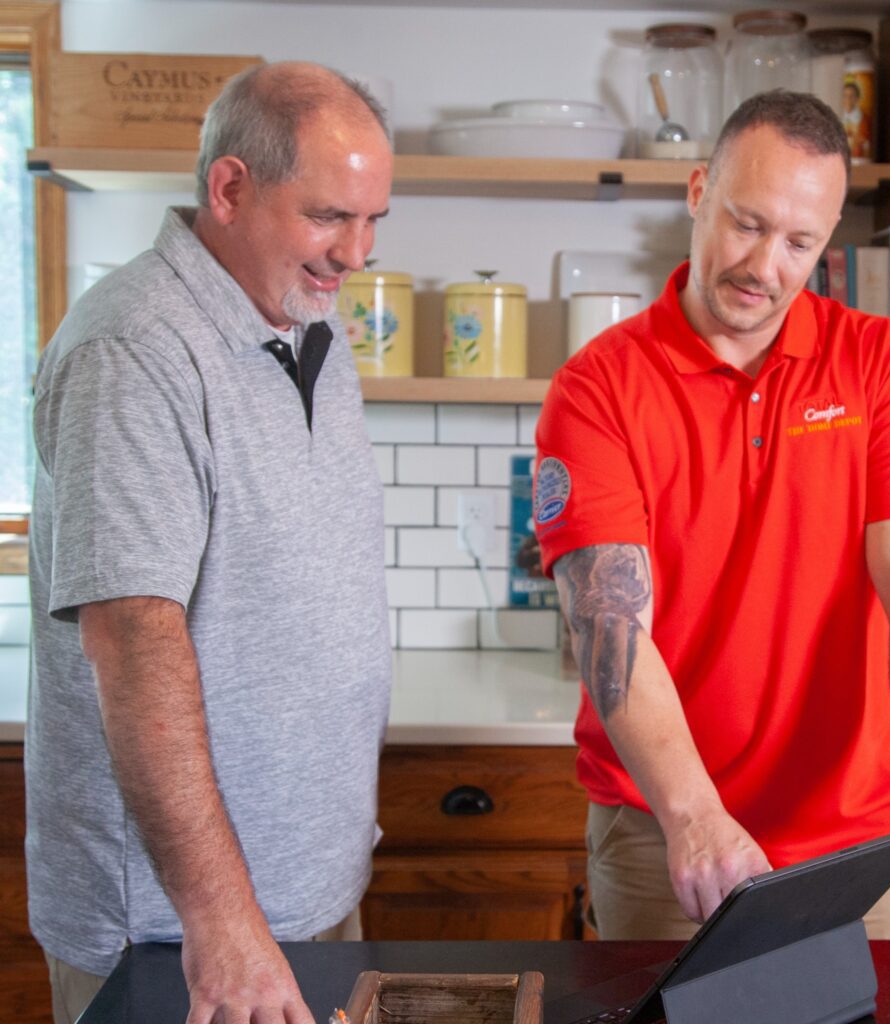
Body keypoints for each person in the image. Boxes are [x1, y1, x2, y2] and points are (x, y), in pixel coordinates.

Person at [533, 91, 890, 981]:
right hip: (667, 832)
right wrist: (695, 815)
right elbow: (609, 629)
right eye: (747, 224)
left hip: (856, 842)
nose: (765, 266)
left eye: (800, 243)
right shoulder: (598, 388)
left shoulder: (883, 364)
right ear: (699, 191)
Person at [26, 61, 394, 1024]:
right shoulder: (134, 350)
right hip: (183, 934)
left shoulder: (308, 322)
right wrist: (222, 920)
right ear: (229, 188)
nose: (355, 254)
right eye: (328, 216)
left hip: (303, 899)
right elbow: (134, 644)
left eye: (371, 221)